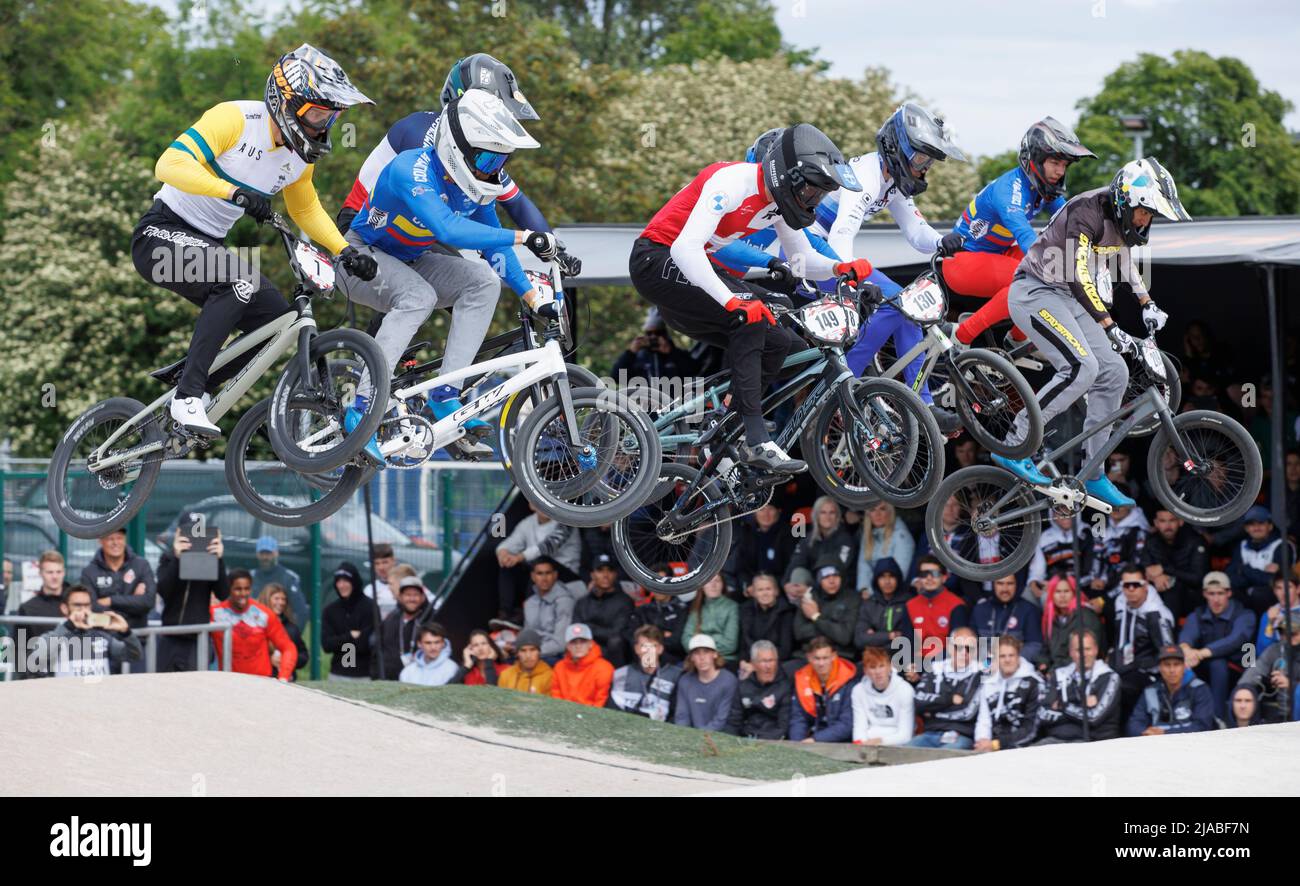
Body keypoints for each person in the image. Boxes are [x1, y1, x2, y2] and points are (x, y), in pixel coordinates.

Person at [131, 44, 376, 438]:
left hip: (207, 245)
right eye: (316, 114)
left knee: (279, 319)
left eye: (329, 117)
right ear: (286, 103)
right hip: (159, 240)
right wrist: (232, 193)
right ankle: (187, 396)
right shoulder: (235, 118)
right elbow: (168, 164)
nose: (322, 125)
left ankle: (194, 384)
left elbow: (306, 209)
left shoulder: (299, 157)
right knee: (240, 282)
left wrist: (344, 251)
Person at [337, 88, 562, 462]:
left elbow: (495, 250)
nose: (494, 170)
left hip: (410, 259)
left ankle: (444, 394)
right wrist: (524, 235)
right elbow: (449, 231)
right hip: (361, 257)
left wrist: (533, 298)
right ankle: (359, 410)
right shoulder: (413, 168)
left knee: (483, 282)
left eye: (501, 161)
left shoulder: (471, 188)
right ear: (459, 149)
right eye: (489, 158)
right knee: (418, 297)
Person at [631, 123, 866, 473]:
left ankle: (729, 423)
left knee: (780, 336)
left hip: (689, 263)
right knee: (750, 315)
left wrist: (840, 269)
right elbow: (685, 247)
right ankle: (756, 438)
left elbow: (801, 259)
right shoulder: (731, 182)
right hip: (656, 259)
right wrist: (733, 303)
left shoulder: (778, 203)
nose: (814, 203)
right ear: (789, 177)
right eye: (812, 194)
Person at [996, 157, 1191, 507]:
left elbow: (1123, 260)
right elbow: (1078, 275)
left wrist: (1146, 301)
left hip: (1068, 298)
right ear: (1125, 201)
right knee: (1081, 368)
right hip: (1035, 292)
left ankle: (1095, 471)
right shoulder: (1086, 212)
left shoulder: (1121, 219)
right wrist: (1109, 325)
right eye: (1144, 212)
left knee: (1114, 372)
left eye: (1151, 215)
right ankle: (1016, 443)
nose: (1146, 221)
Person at [810, 103, 968, 434]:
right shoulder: (867, 176)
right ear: (899, 148)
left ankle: (922, 403)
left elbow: (915, 232)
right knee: (897, 301)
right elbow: (842, 232)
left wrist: (942, 242)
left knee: (905, 305)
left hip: (832, 252)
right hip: (811, 253)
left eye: (929, 163)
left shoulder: (892, 179)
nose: (925, 169)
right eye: (922, 159)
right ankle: (842, 385)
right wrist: (849, 281)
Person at [946, 118, 1095, 347]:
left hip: (996, 254)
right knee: (1032, 278)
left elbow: (1072, 221)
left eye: (1065, 165)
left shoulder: (1042, 187)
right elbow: (1026, 237)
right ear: (1034, 160)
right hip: (962, 261)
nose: (1060, 171)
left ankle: (1017, 339)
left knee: (1056, 267)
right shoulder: (1010, 190)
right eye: (1055, 162)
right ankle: (962, 335)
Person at [155, 514, 229, 672]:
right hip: (169, 636)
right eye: (189, 532)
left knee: (194, 690)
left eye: (198, 532)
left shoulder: (210, 558)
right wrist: (177, 558)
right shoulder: (168, 558)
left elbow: (223, 594)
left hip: (197, 639)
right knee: (162, 688)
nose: (194, 536)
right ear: (178, 534)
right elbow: (164, 591)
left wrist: (219, 560)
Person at [1178, 571, 1255, 717]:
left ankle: (1218, 718)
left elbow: (1236, 640)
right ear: (1204, 594)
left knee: (1217, 663)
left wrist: (1201, 653)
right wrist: (1187, 650)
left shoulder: (1245, 614)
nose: (1216, 599)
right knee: (1179, 663)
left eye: (1220, 593)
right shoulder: (1199, 614)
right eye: (1211, 594)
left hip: (1242, 668)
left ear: (1229, 593)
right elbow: (1187, 636)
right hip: (1204, 666)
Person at [23, 585, 142, 678]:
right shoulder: (56, 636)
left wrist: (125, 632)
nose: (83, 610)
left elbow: (134, 656)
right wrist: (68, 626)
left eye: (87, 605)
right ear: (64, 608)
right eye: (77, 605)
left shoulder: (102, 637)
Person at [1108, 562, 1176, 720]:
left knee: (1121, 689)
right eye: (1126, 585)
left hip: (1147, 672)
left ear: (1145, 585)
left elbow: (1168, 652)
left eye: (1136, 585)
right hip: (1122, 666)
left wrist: (1145, 668)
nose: (1131, 589)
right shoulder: (1120, 602)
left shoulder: (1157, 614)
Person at [495, 502, 581, 622]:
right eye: (540, 502)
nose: (544, 506)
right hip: (540, 571)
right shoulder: (527, 523)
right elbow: (511, 542)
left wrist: (519, 557)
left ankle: (527, 617)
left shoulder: (566, 522)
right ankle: (505, 613)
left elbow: (547, 547)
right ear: (531, 505)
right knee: (508, 566)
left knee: (539, 566)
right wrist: (503, 553)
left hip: (566, 575)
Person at [210, 569, 297, 681]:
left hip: (261, 683)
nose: (243, 594)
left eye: (247, 589)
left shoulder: (264, 614)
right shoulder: (216, 613)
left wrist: (283, 677)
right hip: (230, 683)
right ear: (229, 589)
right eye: (238, 589)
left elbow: (288, 647)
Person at [1037, 629, 1121, 742]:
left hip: (1093, 742)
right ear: (1071, 652)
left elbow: (1093, 717)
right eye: (1078, 650)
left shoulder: (1109, 677)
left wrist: (1063, 706)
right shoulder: (1059, 675)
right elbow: (1042, 714)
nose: (1084, 654)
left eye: (1087, 649)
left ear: (1096, 650)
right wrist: (1081, 705)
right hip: (1055, 739)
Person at [908, 627, 982, 749]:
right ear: (949, 647)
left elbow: (967, 713)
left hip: (961, 736)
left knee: (942, 760)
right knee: (903, 753)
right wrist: (949, 699)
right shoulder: (935, 667)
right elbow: (918, 702)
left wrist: (934, 710)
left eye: (969, 648)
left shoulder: (981, 673)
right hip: (930, 734)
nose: (964, 652)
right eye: (959, 647)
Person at [1124, 644, 1215, 736]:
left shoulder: (1199, 689)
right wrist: (1145, 732)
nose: (1172, 670)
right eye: (1167, 665)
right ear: (1160, 668)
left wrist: (1165, 733)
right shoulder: (1150, 691)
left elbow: (1203, 726)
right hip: (1156, 745)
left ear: (1184, 667)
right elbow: (1134, 724)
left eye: (1176, 665)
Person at [974, 635, 1043, 751]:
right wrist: (982, 742)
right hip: (992, 746)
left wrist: (997, 744)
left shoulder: (1034, 683)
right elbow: (983, 720)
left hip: (1025, 748)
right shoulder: (988, 683)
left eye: (1011, 655)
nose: (1007, 660)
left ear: (1018, 657)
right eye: (1002, 656)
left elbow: (1031, 729)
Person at [80, 527, 155, 631]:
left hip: (136, 635)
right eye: (110, 539)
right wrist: (133, 604)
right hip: (103, 636)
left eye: (119, 538)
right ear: (100, 541)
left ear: (125, 539)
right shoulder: (89, 572)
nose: (115, 543)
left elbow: (148, 602)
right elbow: (92, 606)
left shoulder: (141, 565)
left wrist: (111, 600)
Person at [1236, 606, 1300, 723]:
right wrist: (1262, 683)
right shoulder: (1275, 650)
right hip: (1281, 714)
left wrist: (1292, 685)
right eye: (1282, 633)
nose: (1286, 638)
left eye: (1292, 633)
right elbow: (1247, 679)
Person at [1227, 505, 1295, 615]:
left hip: (1274, 599)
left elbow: (1275, 581)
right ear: (1246, 528)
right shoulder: (1241, 545)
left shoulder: (1282, 545)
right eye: (1251, 524)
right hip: (1245, 594)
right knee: (1229, 592)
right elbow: (1231, 576)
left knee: (1259, 594)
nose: (1256, 527)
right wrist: (1257, 577)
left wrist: (1244, 569)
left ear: (1270, 526)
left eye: (1261, 523)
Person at [788, 636, 858, 743]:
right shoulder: (802, 680)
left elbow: (847, 724)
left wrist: (816, 739)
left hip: (840, 743)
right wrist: (797, 744)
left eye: (825, 658)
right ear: (809, 658)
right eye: (817, 658)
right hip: (810, 741)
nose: (821, 663)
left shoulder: (848, 680)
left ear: (834, 656)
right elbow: (798, 719)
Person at [609, 625, 683, 721]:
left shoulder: (676, 676)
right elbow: (613, 711)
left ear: (660, 649)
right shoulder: (621, 674)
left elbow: (677, 715)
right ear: (636, 649)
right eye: (644, 646)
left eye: (653, 646)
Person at [784, 497, 857, 594]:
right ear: (816, 516)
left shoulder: (845, 539)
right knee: (798, 574)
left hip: (839, 587)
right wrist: (786, 583)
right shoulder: (808, 539)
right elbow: (796, 562)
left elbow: (838, 569)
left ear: (837, 516)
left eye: (832, 512)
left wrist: (811, 589)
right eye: (823, 512)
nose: (828, 517)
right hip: (814, 586)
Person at [572, 554, 635, 666]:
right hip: (586, 650)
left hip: (613, 655)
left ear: (615, 574)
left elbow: (617, 633)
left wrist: (589, 627)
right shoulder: (582, 603)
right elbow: (576, 631)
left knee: (616, 641)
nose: (605, 575)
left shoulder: (625, 601)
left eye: (609, 570)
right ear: (592, 575)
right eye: (600, 571)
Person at [611, 307, 698, 387]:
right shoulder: (638, 358)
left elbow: (695, 372)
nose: (653, 337)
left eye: (658, 333)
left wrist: (671, 353)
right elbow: (617, 377)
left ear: (665, 334)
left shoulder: (676, 354)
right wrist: (630, 352)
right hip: (646, 402)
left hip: (676, 401)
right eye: (649, 334)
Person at [1144, 509, 1208, 620]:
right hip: (1158, 592)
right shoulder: (1151, 541)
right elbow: (1147, 569)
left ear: (1180, 521)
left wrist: (1165, 570)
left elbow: (1198, 578)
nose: (1168, 526)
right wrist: (1156, 578)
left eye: (1172, 520)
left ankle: (1168, 634)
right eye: (1163, 521)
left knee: (1171, 590)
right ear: (1156, 523)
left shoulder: (1195, 541)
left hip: (1192, 596)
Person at [321, 562, 380, 681]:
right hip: (337, 673)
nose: (342, 585)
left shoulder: (370, 607)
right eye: (339, 581)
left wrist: (341, 640)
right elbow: (327, 645)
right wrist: (350, 636)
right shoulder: (330, 610)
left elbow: (366, 644)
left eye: (346, 581)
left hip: (363, 675)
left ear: (354, 582)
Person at [792, 556, 858, 659]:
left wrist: (815, 616)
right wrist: (833, 628)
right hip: (810, 655)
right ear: (819, 579)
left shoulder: (852, 598)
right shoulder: (810, 597)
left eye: (835, 575)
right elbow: (799, 633)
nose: (832, 581)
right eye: (826, 577)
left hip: (841, 655)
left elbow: (844, 636)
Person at [906, 555, 968, 662]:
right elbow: (907, 642)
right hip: (917, 666)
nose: (929, 578)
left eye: (934, 574)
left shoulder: (956, 605)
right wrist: (910, 666)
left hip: (945, 665)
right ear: (919, 578)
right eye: (924, 574)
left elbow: (956, 647)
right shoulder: (910, 605)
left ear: (944, 577)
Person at [970, 574, 1043, 665]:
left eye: (1010, 583)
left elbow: (1034, 645)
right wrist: (987, 664)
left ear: (1017, 585)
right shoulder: (979, 610)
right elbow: (971, 643)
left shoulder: (1028, 610)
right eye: (1000, 583)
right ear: (993, 585)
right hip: (984, 667)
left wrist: (1009, 662)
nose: (1005, 589)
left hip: (1017, 668)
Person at [726, 640, 792, 739]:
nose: (768, 666)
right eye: (764, 661)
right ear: (753, 664)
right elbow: (734, 722)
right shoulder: (743, 686)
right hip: (746, 740)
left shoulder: (785, 687)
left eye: (771, 660)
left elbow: (783, 728)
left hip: (774, 743)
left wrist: (758, 742)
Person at [851, 646, 915, 746]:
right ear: (865, 671)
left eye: (881, 666)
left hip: (898, 745)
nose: (878, 672)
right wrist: (861, 745)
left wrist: (880, 741)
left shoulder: (905, 690)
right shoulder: (858, 691)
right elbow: (859, 728)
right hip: (867, 744)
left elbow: (905, 735)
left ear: (890, 667)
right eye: (872, 667)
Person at [1038, 574, 1103, 672]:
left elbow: (1084, 652)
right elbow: (1046, 649)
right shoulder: (1052, 618)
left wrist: (1054, 670)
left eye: (1066, 591)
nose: (1062, 595)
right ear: (1051, 594)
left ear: (1073, 593)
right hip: (1055, 670)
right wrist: (1043, 663)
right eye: (1058, 591)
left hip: (1080, 670)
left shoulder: (1086, 616)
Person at [372, 575, 432, 681]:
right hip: (388, 681)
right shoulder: (391, 618)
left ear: (423, 597)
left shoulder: (431, 618)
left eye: (416, 595)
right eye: (407, 595)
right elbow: (378, 648)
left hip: (419, 681)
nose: (412, 599)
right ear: (400, 597)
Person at [729, 503, 796, 592]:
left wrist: (771, 586)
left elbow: (792, 568)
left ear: (778, 511)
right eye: (762, 509)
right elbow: (741, 567)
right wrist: (748, 585)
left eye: (771, 509)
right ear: (754, 513)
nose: (766, 514)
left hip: (780, 590)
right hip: (753, 590)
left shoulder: (789, 535)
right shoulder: (746, 533)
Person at [853, 556, 914, 653]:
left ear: (898, 579)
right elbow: (860, 639)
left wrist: (874, 638)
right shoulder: (869, 604)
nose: (887, 582)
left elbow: (907, 640)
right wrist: (891, 636)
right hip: (875, 660)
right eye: (882, 577)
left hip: (901, 660)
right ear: (876, 580)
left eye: (891, 576)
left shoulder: (909, 602)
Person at [521, 556, 576, 662]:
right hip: (532, 654)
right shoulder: (529, 603)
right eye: (540, 573)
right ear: (533, 576)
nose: (544, 578)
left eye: (548, 573)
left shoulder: (564, 601)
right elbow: (527, 635)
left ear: (555, 575)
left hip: (556, 656)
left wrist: (531, 653)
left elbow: (561, 644)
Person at [738, 572, 796, 670]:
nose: (765, 593)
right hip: (751, 662)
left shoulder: (786, 612)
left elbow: (785, 650)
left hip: (777, 663)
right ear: (754, 593)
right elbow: (744, 642)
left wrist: (759, 665)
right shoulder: (746, 610)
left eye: (768, 589)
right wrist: (743, 661)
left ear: (776, 591)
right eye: (760, 590)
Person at [550, 623, 614, 707]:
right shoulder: (559, 667)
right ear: (567, 646)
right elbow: (556, 697)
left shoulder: (604, 668)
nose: (578, 646)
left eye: (583, 642)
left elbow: (601, 701)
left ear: (590, 644)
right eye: (573, 642)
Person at [855, 501, 915, 592]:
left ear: (890, 511)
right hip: (872, 594)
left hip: (893, 593)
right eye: (872, 510)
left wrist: (872, 592)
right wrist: (864, 589)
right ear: (868, 514)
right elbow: (864, 565)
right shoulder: (867, 534)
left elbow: (899, 573)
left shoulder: (901, 536)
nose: (877, 514)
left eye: (882, 509)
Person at [623, 586, 689, 664]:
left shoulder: (682, 609)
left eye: (661, 584)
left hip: (675, 661)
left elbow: (676, 642)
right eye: (654, 584)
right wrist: (661, 634)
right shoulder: (643, 609)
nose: (657, 588)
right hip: (644, 660)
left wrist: (648, 640)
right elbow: (631, 635)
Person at [682, 573, 740, 662]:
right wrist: (717, 638)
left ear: (723, 584)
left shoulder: (732, 607)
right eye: (708, 581)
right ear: (702, 586)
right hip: (698, 661)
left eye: (717, 580)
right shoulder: (696, 607)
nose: (713, 585)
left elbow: (730, 644)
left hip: (725, 660)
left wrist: (700, 639)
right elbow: (686, 640)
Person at [250, 536, 306, 626]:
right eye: (262, 553)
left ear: (276, 553)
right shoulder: (250, 577)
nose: (265, 557)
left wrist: (291, 637)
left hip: (281, 629)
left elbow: (301, 612)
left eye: (268, 553)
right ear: (257, 554)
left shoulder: (288, 578)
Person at [16, 552, 72, 640]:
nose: (55, 576)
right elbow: (19, 648)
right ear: (40, 573)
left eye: (58, 572)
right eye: (50, 572)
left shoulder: (78, 602)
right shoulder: (28, 608)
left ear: (64, 572)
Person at [259, 583, 308, 681]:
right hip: (262, 680)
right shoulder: (256, 626)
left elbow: (303, 655)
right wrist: (269, 659)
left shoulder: (291, 628)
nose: (281, 602)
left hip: (287, 682)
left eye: (283, 599)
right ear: (267, 599)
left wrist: (287, 660)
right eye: (276, 598)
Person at [498, 628, 554, 695]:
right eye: (523, 650)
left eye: (532, 650)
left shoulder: (549, 677)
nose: (528, 655)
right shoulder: (505, 676)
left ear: (539, 652)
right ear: (517, 653)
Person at [1257, 574, 1300, 653]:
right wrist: (1270, 623)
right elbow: (1261, 652)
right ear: (1274, 591)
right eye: (1279, 588)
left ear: (1298, 589)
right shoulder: (1269, 614)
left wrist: (1282, 623)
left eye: (1288, 587)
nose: (1284, 593)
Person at [361, 543, 400, 615]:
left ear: (393, 561)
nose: (381, 567)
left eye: (385, 562)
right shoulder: (369, 590)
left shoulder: (406, 586)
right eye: (377, 563)